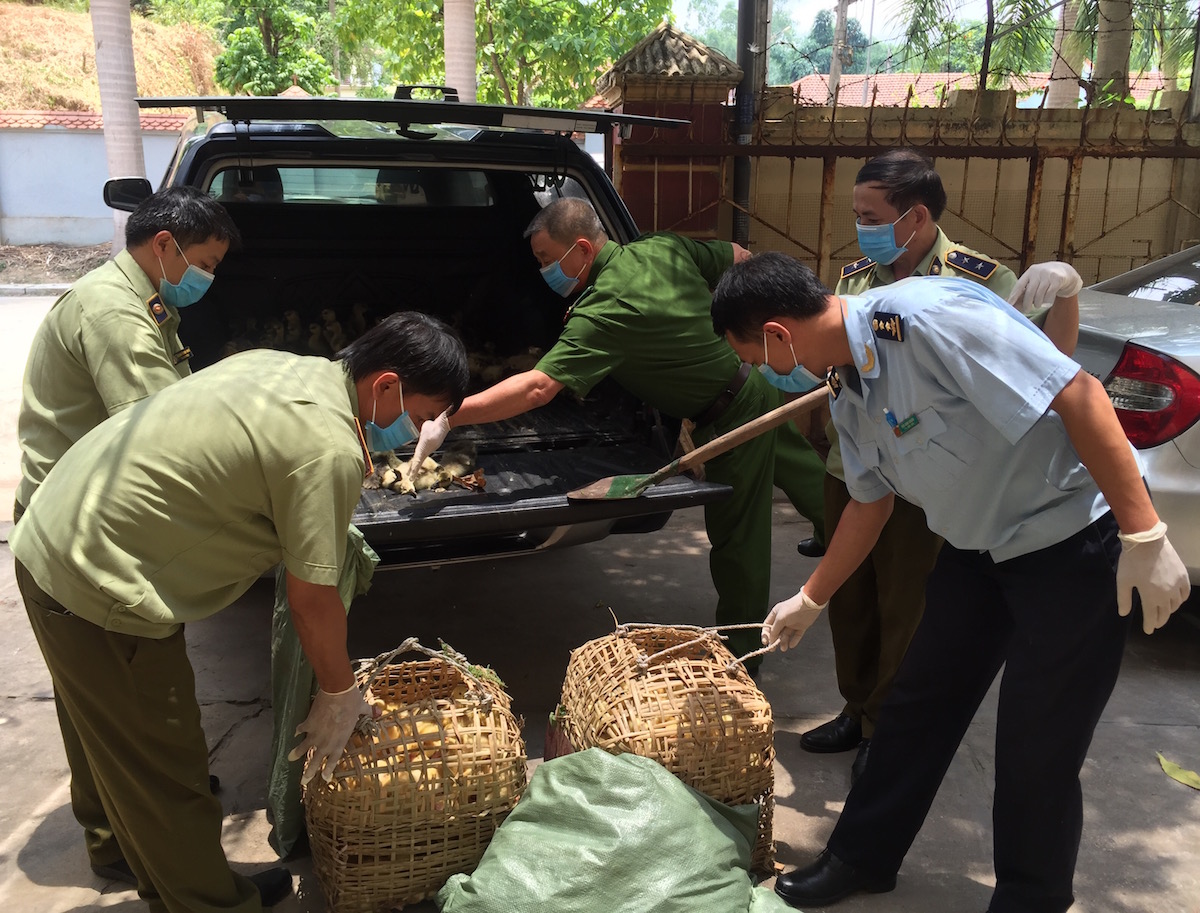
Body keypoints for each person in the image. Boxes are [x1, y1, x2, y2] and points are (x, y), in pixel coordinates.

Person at [710, 253, 1189, 912]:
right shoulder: (847, 384)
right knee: (914, 709)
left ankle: (1030, 898)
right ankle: (862, 856)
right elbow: (870, 504)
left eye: (757, 356)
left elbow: (1078, 393)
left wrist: (1144, 534)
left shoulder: (927, 318)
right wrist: (811, 596)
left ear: (778, 333)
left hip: (1070, 547)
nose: (765, 371)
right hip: (977, 552)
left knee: (1036, 744)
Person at [10, 311, 469, 913]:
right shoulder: (326, 447)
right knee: (166, 766)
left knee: (103, 727)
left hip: (54, 532)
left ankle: (121, 846)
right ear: (385, 386)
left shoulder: (283, 368)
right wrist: (338, 690)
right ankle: (206, 901)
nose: (414, 433)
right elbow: (312, 597)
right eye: (416, 415)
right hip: (99, 583)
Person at [409, 197, 828, 664]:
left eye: (546, 260)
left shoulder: (606, 309)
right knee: (808, 475)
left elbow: (536, 390)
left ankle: (745, 657)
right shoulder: (660, 248)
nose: (543, 271)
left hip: (731, 415)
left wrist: (447, 415)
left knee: (739, 542)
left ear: (583, 250)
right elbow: (736, 256)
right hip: (754, 382)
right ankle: (855, 546)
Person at [801, 149, 1082, 783]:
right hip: (856, 466)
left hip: (928, 476)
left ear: (916, 216)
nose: (860, 227)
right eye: (856, 214)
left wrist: (1067, 292)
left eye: (869, 215)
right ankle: (854, 704)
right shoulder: (857, 276)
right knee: (849, 597)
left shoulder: (978, 280)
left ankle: (884, 724)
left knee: (907, 602)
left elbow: (1050, 363)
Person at [13, 185, 241, 885]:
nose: (209, 278)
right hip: (88, 548)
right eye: (205, 261)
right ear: (165, 246)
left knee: (98, 710)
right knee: (154, 722)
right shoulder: (115, 313)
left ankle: (113, 840)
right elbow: (162, 434)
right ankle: (192, 879)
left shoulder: (142, 300)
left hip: (57, 535)